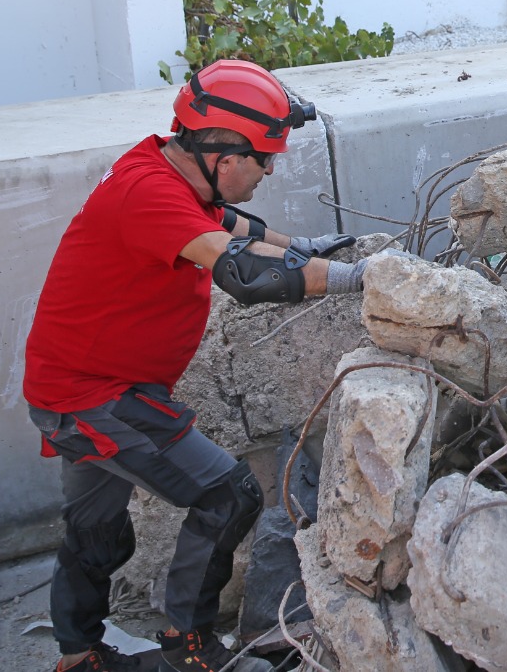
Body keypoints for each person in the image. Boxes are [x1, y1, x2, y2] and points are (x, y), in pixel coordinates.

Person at [23, 59, 373, 672]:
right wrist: (355, 279)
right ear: (224, 154)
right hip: (93, 397)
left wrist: (303, 247)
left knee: (96, 530)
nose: (269, 170)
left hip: (89, 387)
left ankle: (77, 655)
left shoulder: (168, 167)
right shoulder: (147, 193)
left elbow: (232, 228)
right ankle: (190, 648)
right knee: (228, 495)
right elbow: (243, 270)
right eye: (264, 158)